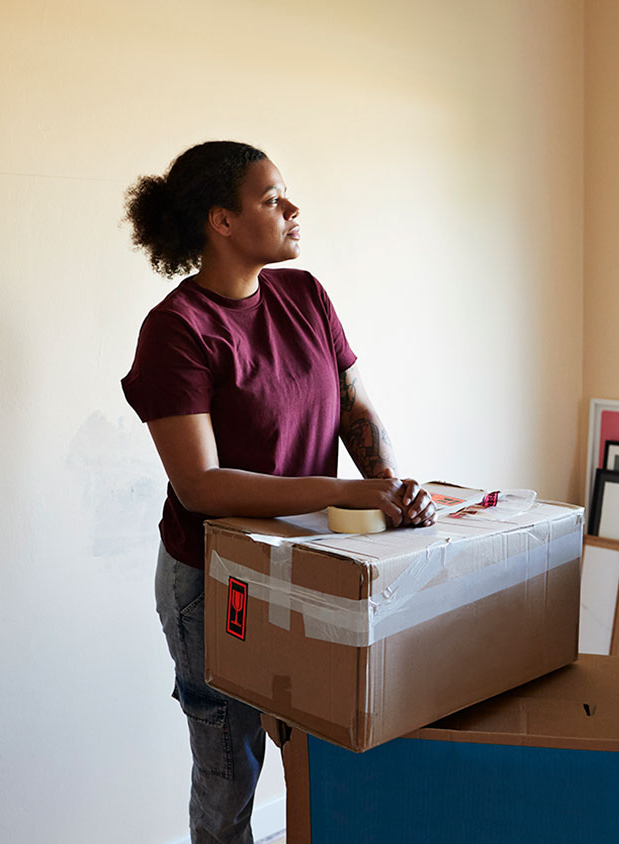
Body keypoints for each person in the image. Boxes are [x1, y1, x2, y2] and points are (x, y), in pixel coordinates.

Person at [120, 141, 435, 844]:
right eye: (271, 198)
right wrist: (349, 492)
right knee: (232, 770)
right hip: (215, 580)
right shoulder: (176, 331)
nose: (292, 209)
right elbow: (199, 486)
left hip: (310, 564)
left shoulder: (306, 295)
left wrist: (389, 490)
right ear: (221, 222)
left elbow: (354, 409)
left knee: (331, 746)